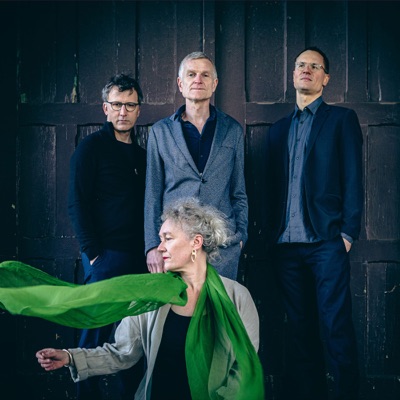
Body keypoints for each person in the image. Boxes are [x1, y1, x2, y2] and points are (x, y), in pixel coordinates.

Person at [36, 198, 264, 400]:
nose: (160, 248)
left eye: (168, 239)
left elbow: (244, 368)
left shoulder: (237, 297)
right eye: (160, 239)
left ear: (196, 242)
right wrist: (70, 357)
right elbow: (121, 352)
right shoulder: (151, 296)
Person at [265, 47, 363, 400]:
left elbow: (353, 178)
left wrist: (347, 234)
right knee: (299, 330)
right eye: (301, 65)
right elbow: (269, 187)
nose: (307, 70)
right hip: (286, 247)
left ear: (325, 78)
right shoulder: (278, 130)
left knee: (336, 327)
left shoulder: (341, 120)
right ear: (293, 75)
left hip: (326, 242)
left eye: (315, 66)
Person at [68, 73, 147, 399]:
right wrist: (94, 253)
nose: (123, 112)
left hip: (139, 260)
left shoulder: (142, 155)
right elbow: (76, 202)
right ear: (105, 108)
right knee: (94, 334)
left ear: (138, 110)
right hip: (105, 257)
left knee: (132, 338)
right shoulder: (91, 149)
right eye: (116, 105)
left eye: (130, 105)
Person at [145, 51, 248, 280]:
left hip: (223, 244)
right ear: (181, 84)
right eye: (191, 74)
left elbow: (238, 191)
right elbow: (152, 192)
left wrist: (241, 237)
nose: (198, 80)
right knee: (179, 302)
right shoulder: (161, 132)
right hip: (175, 245)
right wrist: (152, 245)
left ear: (214, 84)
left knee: (219, 302)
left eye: (205, 75)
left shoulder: (232, 130)